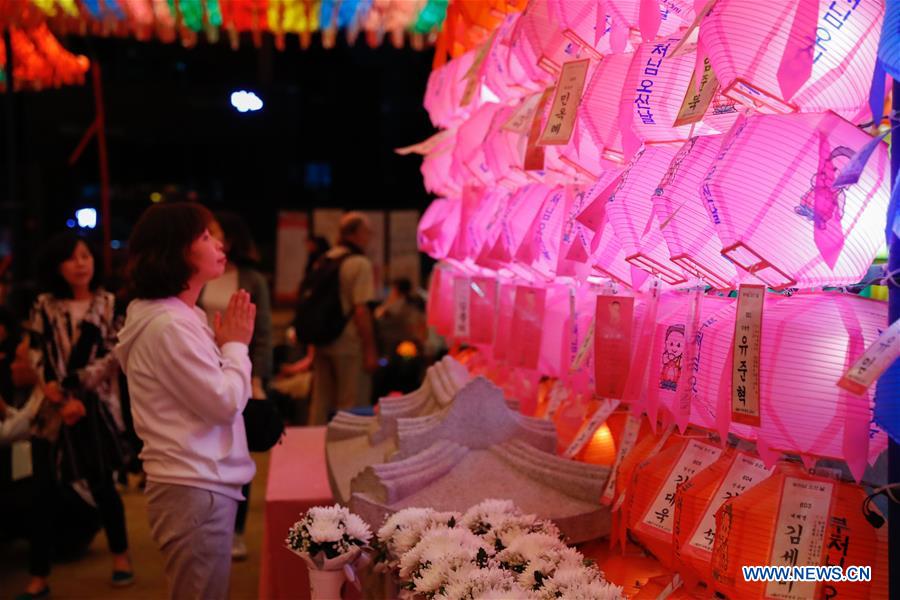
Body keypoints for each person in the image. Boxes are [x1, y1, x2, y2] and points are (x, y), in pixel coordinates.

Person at [115, 203, 256, 600]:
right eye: (206, 236)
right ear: (176, 250)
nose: (218, 243)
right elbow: (224, 402)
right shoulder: (169, 325)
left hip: (195, 481)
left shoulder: (177, 315)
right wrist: (236, 347)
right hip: (194, 482)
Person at [19, 233, 133, 600]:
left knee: (102, 485)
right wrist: (52, 389)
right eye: (71, 258)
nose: (81, 263)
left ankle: (121, 557)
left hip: (93, 407)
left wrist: (74, 390)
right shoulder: (45, 305)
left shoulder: (108, 303)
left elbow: (113, 356)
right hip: (51, 411)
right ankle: (38, 577)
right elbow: (35, 351)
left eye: (85, 256)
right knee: (43, 493)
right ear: (57, 266)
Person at [200, 211, 272, 561]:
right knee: (210, 452)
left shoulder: (251, 279)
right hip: (203, 376)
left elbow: (263, 334)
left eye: (214, 234)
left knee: (238, 454)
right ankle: (212, 525)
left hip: (240, 372)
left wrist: (257, 378)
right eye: (204, 236)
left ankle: (237, 531)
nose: (211, 241)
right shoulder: (196, 279)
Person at [307, 212, 378, 425]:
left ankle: (313, 448)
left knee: (320, 400)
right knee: (350, 402)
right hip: (348, 342)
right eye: (367, 232)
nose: (370, 236)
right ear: (356, 233)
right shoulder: (359, 264)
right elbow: (361, 310)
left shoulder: (324, 259)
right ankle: (345, 452)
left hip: (322, 339)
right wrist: (370, 349)